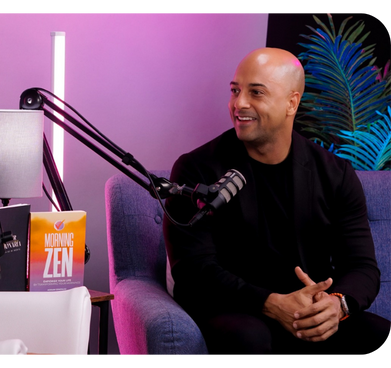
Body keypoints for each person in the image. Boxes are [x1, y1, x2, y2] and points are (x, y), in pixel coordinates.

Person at [163, 47, 391, 357]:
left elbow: (362, 266)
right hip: (237, 308)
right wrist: (270, 303)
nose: (238, 104)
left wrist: (336, 305)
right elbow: (193, 270)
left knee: (381, 335)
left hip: (307, 310)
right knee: (250, 338)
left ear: (291, 102)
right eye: (235, 91)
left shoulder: (335, 173)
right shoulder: (197, 169)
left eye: (256, 93)